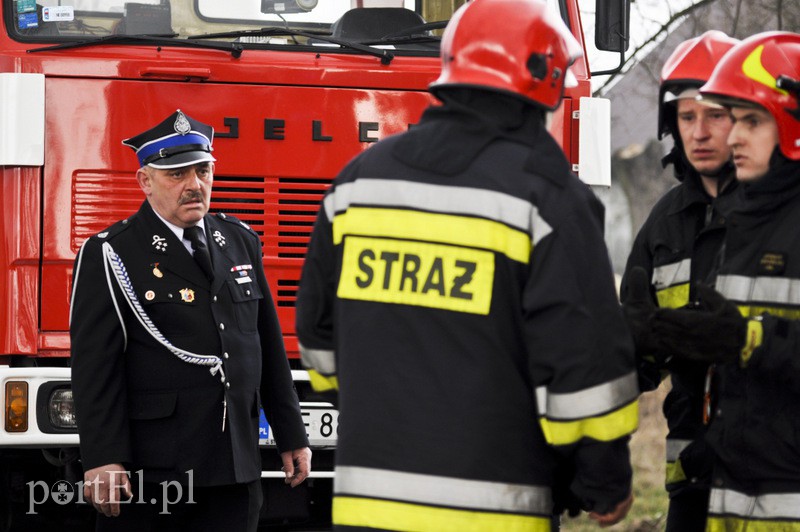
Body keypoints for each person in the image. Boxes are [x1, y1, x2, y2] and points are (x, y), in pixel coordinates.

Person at [295, 0, 638, 530]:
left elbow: (317, 338)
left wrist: (384, 402)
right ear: (545, 81)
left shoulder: (358, 182)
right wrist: (603, 482)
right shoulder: (549, 199)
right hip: (494, 511)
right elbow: (584, 366)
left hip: (367, 506)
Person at [69, 109, 311, 531]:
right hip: (155, 467)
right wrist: (104, 458)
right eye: (176, 175)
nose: (194, 186)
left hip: (235, 463)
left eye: (202, 172)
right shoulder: (112, 251)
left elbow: (267, 345)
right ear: (146, 182)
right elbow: (95, 367)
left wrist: (291, 434)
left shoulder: (239, 240)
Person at [635, 31, 800, 530]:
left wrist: (746, 341)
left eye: (736, 118)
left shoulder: (767, 217)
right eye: (688, 116)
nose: (713, 135)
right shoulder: (668, 225)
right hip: (711, 477)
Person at [619, 31, 740, 532]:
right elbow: (628, 353)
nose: (700, 132)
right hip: (690, 472)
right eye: (687, 117)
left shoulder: (778, 214)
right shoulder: (664, 225)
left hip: (770, 471)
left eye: (715, 115)